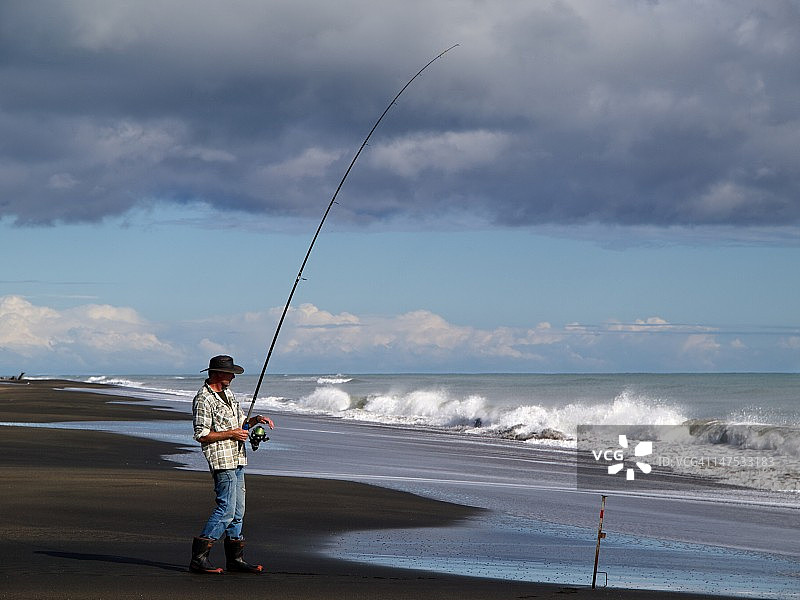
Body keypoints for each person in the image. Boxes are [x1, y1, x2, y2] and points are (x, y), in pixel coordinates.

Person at [189, 355, 274, 574]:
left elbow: (240, 423)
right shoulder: (203, 399)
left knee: (238, 510)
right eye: (229, 373)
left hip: (237, 457)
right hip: (221, 459)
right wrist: (232, 433)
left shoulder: (228, 394)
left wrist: (256, 420)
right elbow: (201, 435)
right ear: (216, 373)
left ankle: (235, 560)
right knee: (225, 509)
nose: (233, 377)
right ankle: (199, 558)